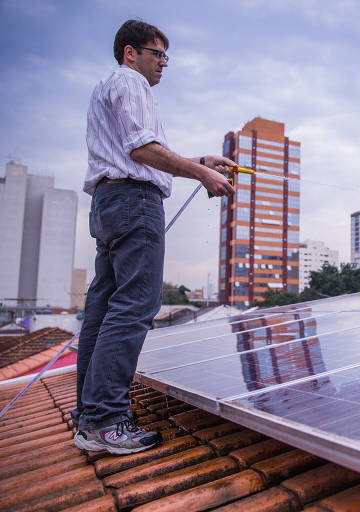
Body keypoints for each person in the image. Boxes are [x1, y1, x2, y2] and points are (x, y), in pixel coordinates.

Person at [73, 20, 234, 455]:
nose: (164, 63)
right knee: (134, 305)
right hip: (132, 204)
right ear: (131, 52)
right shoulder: (131, 83)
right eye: (157, 54)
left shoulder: (109, 86)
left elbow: (137, 152)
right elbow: (142, 151)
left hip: (108, 203)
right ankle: (106, 420)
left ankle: (88, 417)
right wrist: (201, 173)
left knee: (104, 307)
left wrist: (200, 159)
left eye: (166, 56)